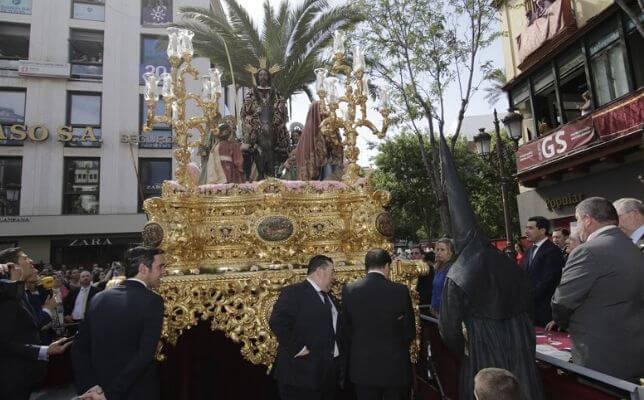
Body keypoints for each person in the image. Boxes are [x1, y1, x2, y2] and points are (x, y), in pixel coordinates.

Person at [437, 134, 543, 400]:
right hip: (519, 343)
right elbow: (528, 302)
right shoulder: (505, 260)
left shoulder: (458, 273)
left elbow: (449, 329)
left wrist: (466, 345)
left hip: (484, 348)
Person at [551, 197, 644, 382]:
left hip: (599, 354)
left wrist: (562, 323)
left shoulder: (588, 250)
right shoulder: (633, 248)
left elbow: (562, 302)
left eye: (577, 221)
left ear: (587, 219)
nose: (577, 228)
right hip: (634, 348)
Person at [72, 246, 166, 400]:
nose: (164, 272)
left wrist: (91, 387)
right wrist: (110, 394)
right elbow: (144, 355)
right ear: (143, 268)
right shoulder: (152, 301)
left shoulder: (98, 298)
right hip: (135, 393)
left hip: (98, 391)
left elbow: (79, 348)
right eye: (160, 267)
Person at [341, 248, 415, 400]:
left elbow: (345, 329)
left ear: (366, 266)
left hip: (362, 368)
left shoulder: (350, 290)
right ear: (387, 266)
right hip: (394, 368)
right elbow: (409, 331)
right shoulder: (400, 291)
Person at [0, 248, 72, 400]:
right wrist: (45, 350)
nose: (31, 261)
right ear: (13, 266)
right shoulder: (7, 298)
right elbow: (5, 343)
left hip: (23, 378)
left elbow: (28, 327)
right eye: (25, 258)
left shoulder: (20, 294)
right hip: (10, 381)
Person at [269, 255, 343, 400]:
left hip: (326, 376)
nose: (334, 277)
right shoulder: (293, 292)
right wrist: (298, 348)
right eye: (332, 272)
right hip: (300, 377)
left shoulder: (330, 297)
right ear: (320, 271)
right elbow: (277, 322)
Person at [241, 65, 289, 180]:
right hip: (256, 119)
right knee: (249, 128)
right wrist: (253, 109)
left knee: (280, 129)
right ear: (258, 77)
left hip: (272, 118)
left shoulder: (274, 91)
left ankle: (282, 147)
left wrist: (278, 106)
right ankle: (249, 145)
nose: (263, 76)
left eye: (265, 74)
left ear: (268, 77)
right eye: (261, 74)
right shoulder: (251, 92)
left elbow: (280, 105)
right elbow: (245, 109)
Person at [522, 216, 565, 327]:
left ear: (542, 231)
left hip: (546, 312)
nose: (526, 231)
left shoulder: (553, 251)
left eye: (530, 228)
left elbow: (549, 281)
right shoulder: (528, 251)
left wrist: (527, 297)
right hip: (530, 311)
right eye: (526, 228)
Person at [430, 238, 454, 318]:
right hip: (437, 313)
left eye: (442, 250)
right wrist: (433, 306)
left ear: (450, 252)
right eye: (437, 249)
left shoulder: (452, 269)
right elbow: (435, 291)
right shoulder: (438, 268)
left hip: (447, 315)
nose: (439, 252)